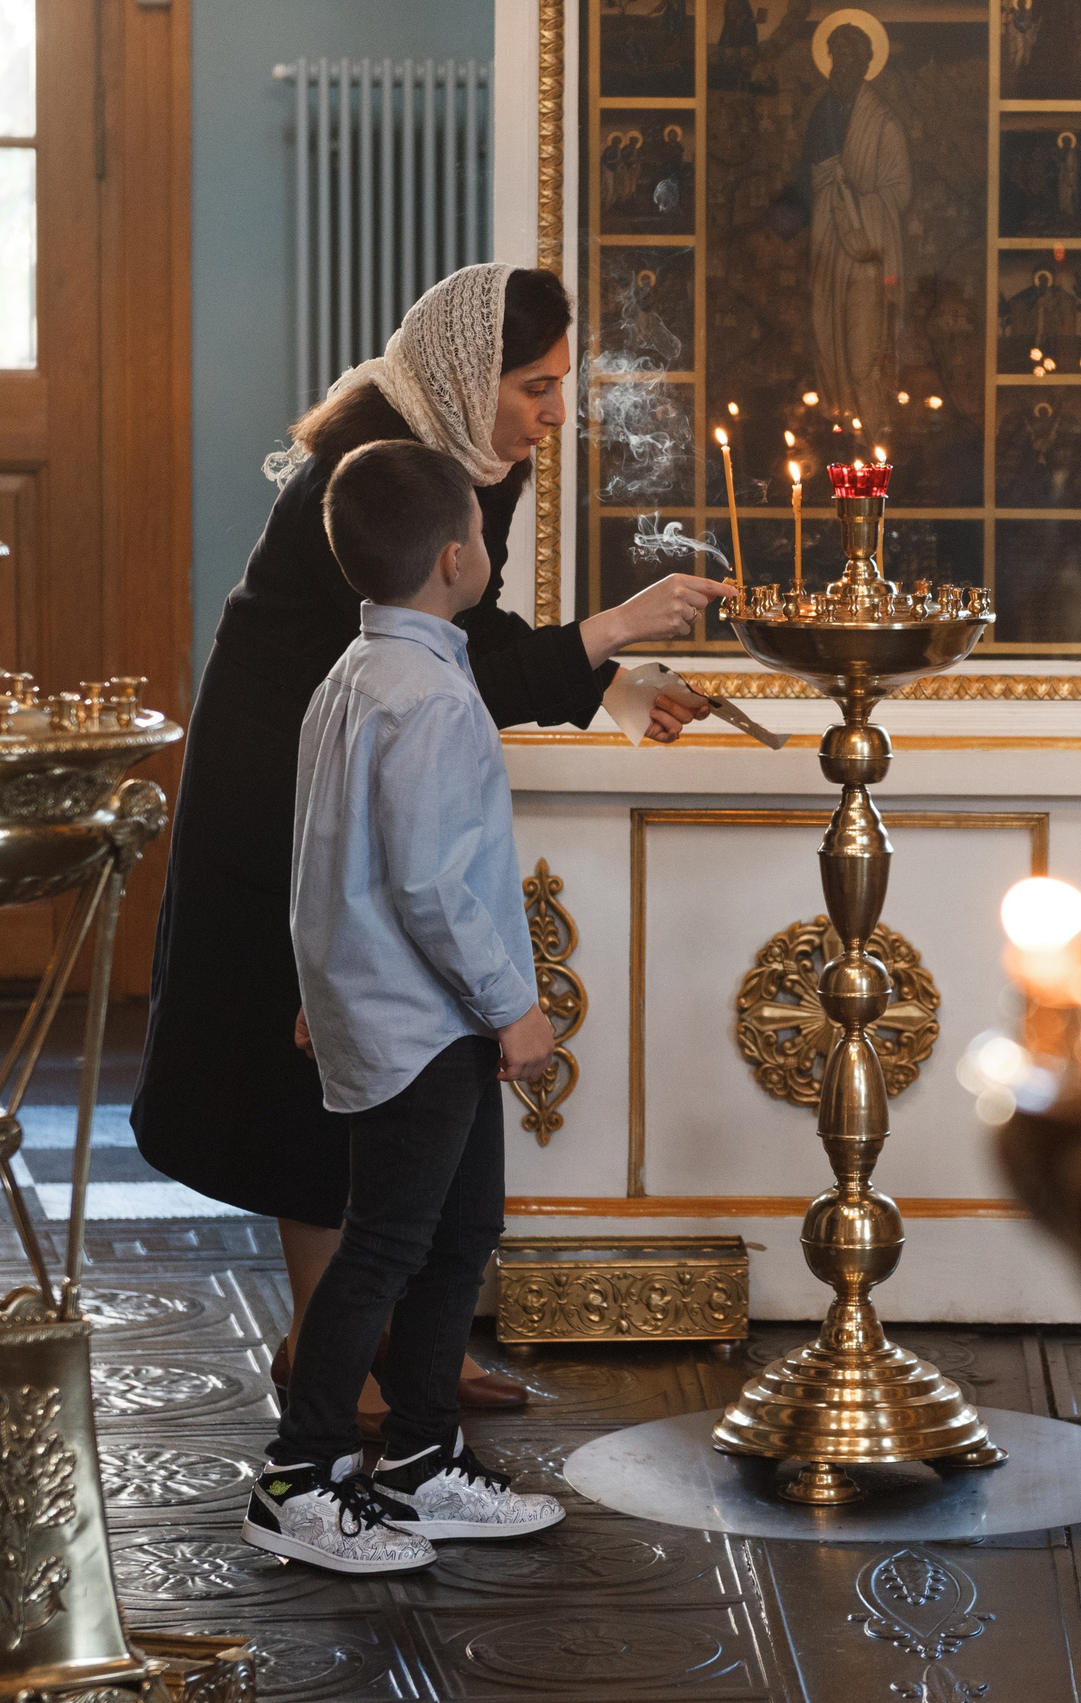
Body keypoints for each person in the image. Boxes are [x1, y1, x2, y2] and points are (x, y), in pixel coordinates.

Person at [134, 264, 733, 1431]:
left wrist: (613, 684)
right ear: (471, 379)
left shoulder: (468, 447)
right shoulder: (365, 468)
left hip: (356, 759)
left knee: (397, 1077)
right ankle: (325, 1352)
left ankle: (403, 1345)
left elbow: (466, 627)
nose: (555, 412)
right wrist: (612, 630)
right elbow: (428, 650)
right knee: (315, 1079)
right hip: (289, 789)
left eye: (561, 385)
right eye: (536, 386)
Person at [242, 439, 565, 1573]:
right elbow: (428, 878)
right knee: (384, 1245)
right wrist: (512, 1005)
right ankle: (302, 1476)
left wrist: (314, 979)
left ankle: (425, 1458)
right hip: (426, 1020)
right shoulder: (425, 694)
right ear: (451, 558)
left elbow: (325, 852)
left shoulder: (357, 672)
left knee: (461, 1232)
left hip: (406, 1011)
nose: (486, 548)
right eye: (480, 533)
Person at [801, 19, 909, 434]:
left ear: (864, 64)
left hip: (867, 256)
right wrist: (829, 187)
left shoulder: (883, 124)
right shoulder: (821, 117)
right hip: (828, 251)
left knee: (863, 360)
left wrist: (851, 198)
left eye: (846, 60)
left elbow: (897, 192)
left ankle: (875, 440)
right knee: (829, 350)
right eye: (834, 59)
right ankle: (844, 436)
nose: (838, 68)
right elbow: (807, 180)